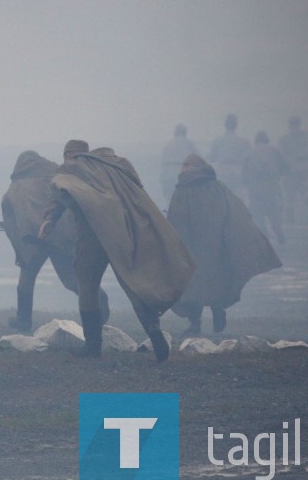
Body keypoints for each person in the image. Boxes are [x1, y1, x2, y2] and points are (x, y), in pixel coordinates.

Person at [38, 140, 195, 361]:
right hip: (122, 232)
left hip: (90, 236)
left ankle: (93, 347)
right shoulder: (114, 167)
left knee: (87, 287)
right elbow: (136, 192)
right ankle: (153, 330)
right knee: (134, 282)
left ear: (67, 154)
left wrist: (48, 220)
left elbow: (58, 196)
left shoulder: (71, 169)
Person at [167, 154, 282, 336]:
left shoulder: (211, 188)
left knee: (208, 281)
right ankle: (196, 322)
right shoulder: (187, 189)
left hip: (208, 245)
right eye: (183, 165)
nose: (183, 169)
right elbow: (175, 218)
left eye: (187, 165)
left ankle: (215, 311)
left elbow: (230, 214)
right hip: (194, 246)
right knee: (191, 286)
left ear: (196, 167)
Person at [1, 151, 108, 333]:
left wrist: (20, 240)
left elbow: (10, 218)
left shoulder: (17, 187)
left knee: (27, 276)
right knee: (71, 278)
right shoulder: (56, 179)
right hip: (60, 236)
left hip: (33, 240)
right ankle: (99, 301)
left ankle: (23, 320)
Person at [243, 131, 289, 245]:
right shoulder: (275, 151)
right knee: (274, 213)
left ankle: (265, 237)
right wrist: (278, 175)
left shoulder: (249, 153)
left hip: (255, 189)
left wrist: (248, 183)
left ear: (256, 140)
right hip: (272, 187)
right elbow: (286, 166)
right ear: (267, 139)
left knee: (258, 215)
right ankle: (278, 232)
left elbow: (244, 173)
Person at [278, 116, 308, 223]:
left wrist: (289, 161)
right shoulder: (307, 137)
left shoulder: (284, 138)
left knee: (290, 193)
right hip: (305, 168)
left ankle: (290, 217)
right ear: (300, 123)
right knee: (307, 190)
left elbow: (281, 154)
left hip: (291, 168)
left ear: (290, 125)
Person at [209, 113, 251, 199]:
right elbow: (247, 159)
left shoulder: (218, 140)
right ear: (236, 125)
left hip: (222, 170)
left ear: (225, 125)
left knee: (222, 197)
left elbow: (212, 157)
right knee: (237, 197)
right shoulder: (244, 141)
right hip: (237, 171)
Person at [160, 123, 199, 203]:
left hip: (167, 173)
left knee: (170, 200)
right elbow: (198, 158)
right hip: (182, 173)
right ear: (185, 133)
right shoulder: (189, 143)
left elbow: (162, 161)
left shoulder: (168, 144)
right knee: (183, 200)